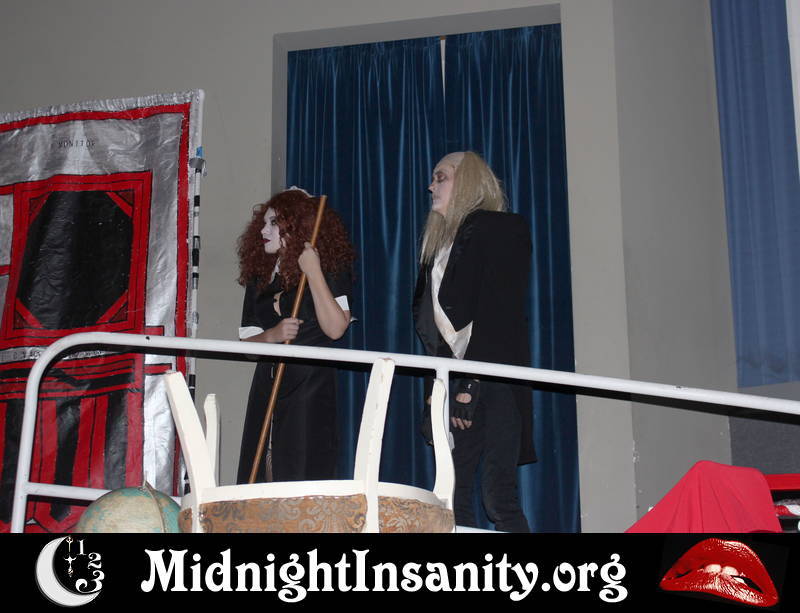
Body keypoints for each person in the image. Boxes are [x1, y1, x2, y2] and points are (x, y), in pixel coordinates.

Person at [412, 152, 535, 532]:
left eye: (441, 177)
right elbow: (436, 333)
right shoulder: (438, 249)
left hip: (494, 378)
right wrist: (439, 392)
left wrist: (472, 383)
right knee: (454, 494)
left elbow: (500, 311)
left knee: (498, 497)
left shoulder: (501, 228)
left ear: (467, 180)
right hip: (457, 379)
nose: (431, 186)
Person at [235, 187, 355, 483]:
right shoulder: (261, 276)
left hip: (309, 387)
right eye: (264, 222)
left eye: (273, 222)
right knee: (260, 470)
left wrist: (313, 272)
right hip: (267, 385)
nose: (263, 230)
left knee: (300, 471)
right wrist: (272, 336)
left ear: (295, 226)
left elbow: (336, 329)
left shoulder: (328, 267)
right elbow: (247, 344)